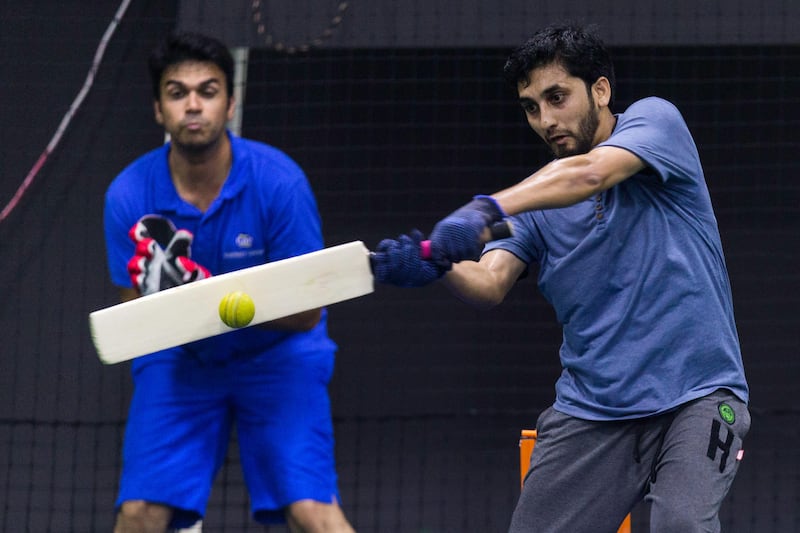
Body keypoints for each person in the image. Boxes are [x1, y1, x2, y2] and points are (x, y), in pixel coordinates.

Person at [371, 24, 750, 532]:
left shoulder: (657, 122)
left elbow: (589, 174)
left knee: (680, 524)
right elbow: (490, 282)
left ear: (600, 90)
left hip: (698, 396)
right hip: (592, 413)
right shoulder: (533, 205)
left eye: (556, 97)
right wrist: (441, 264)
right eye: (531, 107)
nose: (546, 120)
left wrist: (483, 210)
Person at [102, 31, 355, 533]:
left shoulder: (280, 183)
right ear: (158, 109)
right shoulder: (128, 194)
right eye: (177, 93)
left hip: (279, 357)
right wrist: (161, 304)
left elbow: (307, 311)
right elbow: (132, 317)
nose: (193, 105)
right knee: (139, 514)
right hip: (183, 362)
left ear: (230, 103)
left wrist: (213, 300)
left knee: (314, 513)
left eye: (208, 91)